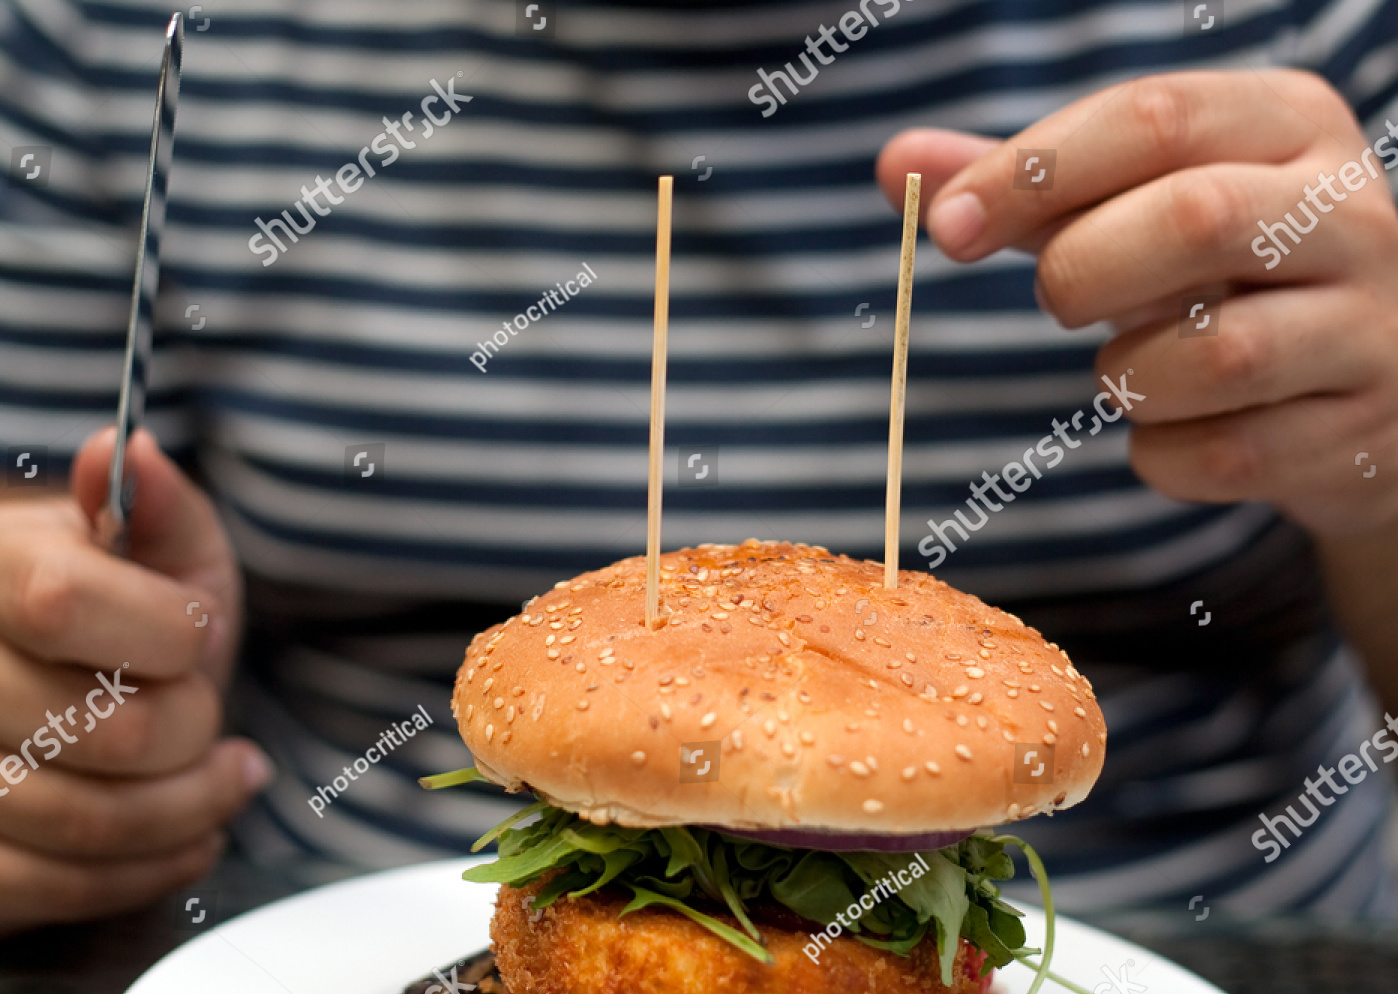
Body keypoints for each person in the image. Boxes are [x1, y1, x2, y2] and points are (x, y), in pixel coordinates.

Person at [2, 0, 1396, 939]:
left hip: (1254, 973)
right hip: (309, 949)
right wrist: (78, 704)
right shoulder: (120, 35)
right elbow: (47, 548)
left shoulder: (1316, 29)